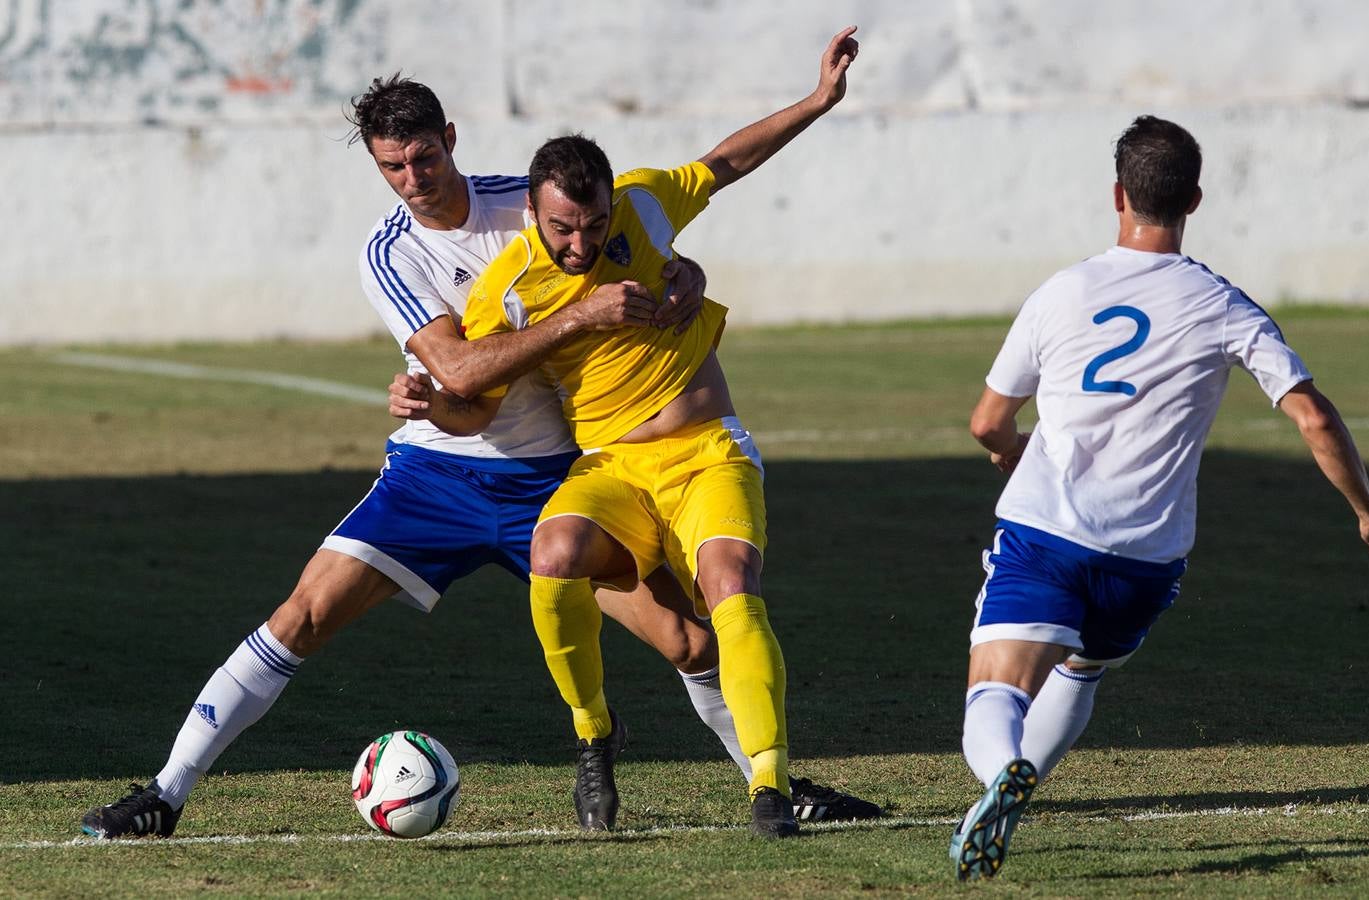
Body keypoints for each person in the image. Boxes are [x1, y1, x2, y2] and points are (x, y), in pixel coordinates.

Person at [80, 72, 875, 840]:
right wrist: (567, 326)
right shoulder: (389, 253)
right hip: (438, 473)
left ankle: (775, 787)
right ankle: (166, 792)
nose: (411, 178)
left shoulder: (535, 202)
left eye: (423, 156)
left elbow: (650, 223)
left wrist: (682, 273)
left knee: (691, 641)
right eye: (391, 165)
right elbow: (457, 371)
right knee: (303, 616)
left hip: (558, 475)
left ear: (449, 140)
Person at [395, 26, 860, 838]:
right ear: (532, 213)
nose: (580, 245)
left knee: (730, 596)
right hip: (611, 466)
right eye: (562, 229)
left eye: (593, 225)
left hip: (708, 451)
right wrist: (431, 406)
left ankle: (770, 788)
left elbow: (726, 162)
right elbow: (477, 404)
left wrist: (818, 100)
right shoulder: (507, 289)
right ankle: (592, 734)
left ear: (615, 202)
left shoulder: (645, 204)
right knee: (553, 557)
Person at [948, 115, 1369, 880]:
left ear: (1117, 194)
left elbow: (988, 422)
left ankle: (1001, 772)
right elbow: (1313, 414)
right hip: (1147, 556)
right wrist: (1367, 509)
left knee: (995, 686)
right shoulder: (1222, 303)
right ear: (1193, 199)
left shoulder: (1062, 290)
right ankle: (1014, 793)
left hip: (1048, 530)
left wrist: (1011, 455)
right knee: (1083, 670)